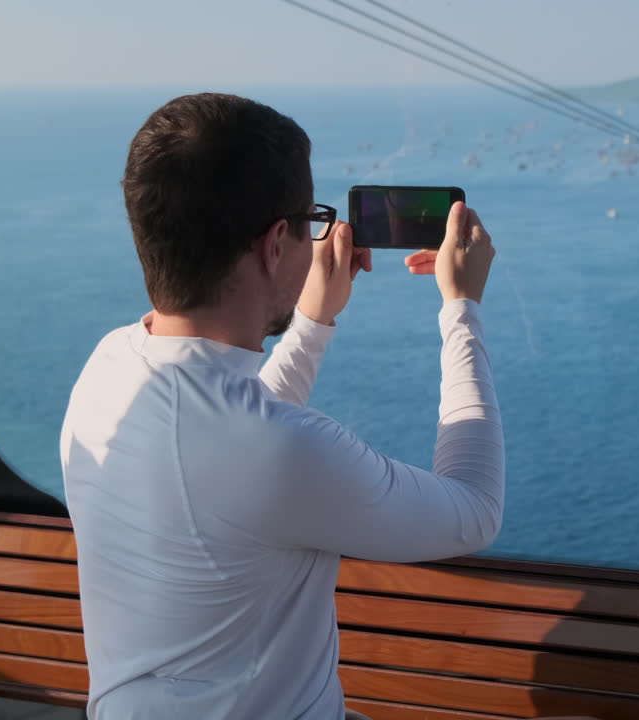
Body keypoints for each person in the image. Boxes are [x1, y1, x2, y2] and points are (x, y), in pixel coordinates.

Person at [59, 93, 502, 719]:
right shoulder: (280, 450)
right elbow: (475, 512)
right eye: (310, 220)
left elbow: (230, 449)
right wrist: (462, 308)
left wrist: (314, 321)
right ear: (274, 245)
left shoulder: (109, 367)